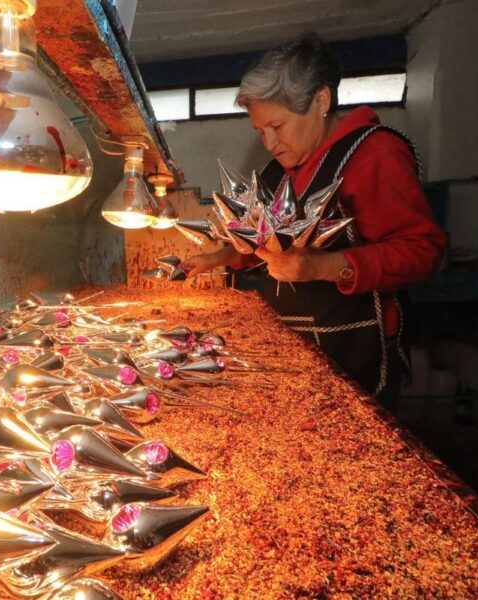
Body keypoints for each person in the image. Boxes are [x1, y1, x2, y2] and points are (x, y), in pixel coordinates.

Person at [181, 33, 446, 410]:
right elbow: (269, 244)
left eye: (278, 125)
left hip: (355, 352)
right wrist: (223, 257)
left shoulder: (373, 154)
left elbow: (423, 251)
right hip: (295, 342)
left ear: (321, 100)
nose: (269, 142)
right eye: (260, 131)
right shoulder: (279, 172)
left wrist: (324, 267)